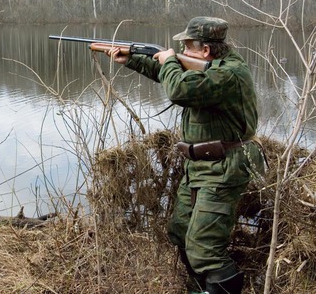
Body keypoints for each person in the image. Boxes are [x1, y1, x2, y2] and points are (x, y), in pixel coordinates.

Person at [105, 17, 265, 294]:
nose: (181, 52)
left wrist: (168, 60)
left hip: (225, 166)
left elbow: (181, 88)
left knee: (205, 248)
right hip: (199, 165)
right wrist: (132, 58)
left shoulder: (229, 73)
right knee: (182, 233)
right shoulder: (211, 66)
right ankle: (198, 290)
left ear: (205, 50)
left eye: (187, 47)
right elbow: (174, 74)